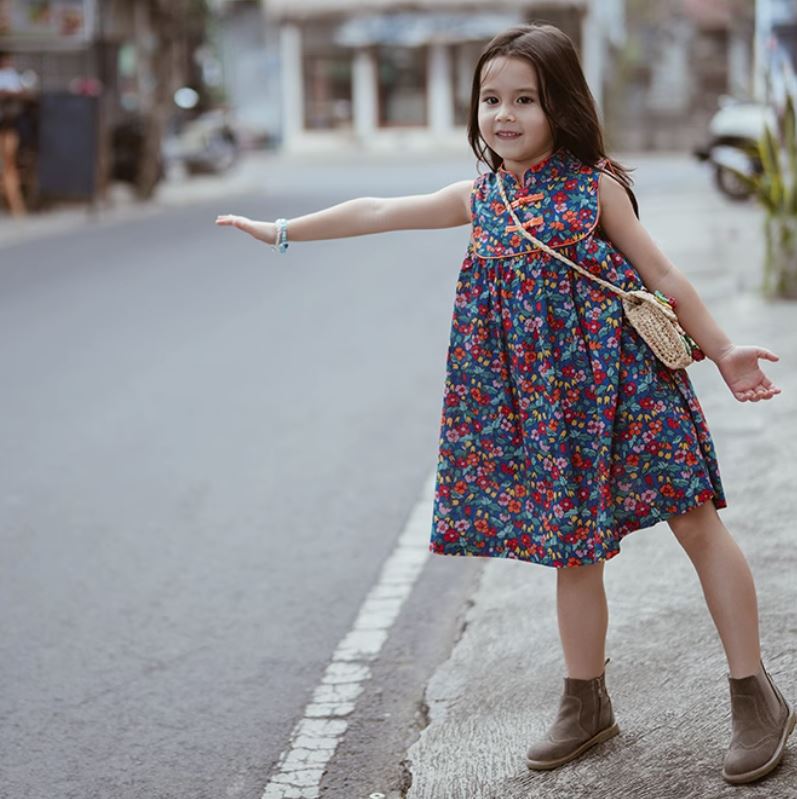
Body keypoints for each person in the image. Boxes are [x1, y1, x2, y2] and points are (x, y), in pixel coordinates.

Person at [215, 23, 794, 786]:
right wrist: (282, 229)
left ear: (560, 105)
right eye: (491, 99)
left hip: (624, 385)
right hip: (545, 406)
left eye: (524, 99)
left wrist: (720, 350)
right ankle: (585, 701)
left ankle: (753, 691)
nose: (504, 115)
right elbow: (379, 210)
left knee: (694, 519)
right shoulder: (481, 196)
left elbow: (664, 275)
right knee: (571, 545)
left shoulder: (594, 186)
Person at [0, 49, 27, 217]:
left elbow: (21, 92)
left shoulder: (12, 76)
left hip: (9, 125)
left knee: (9, 165)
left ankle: (15, 204)